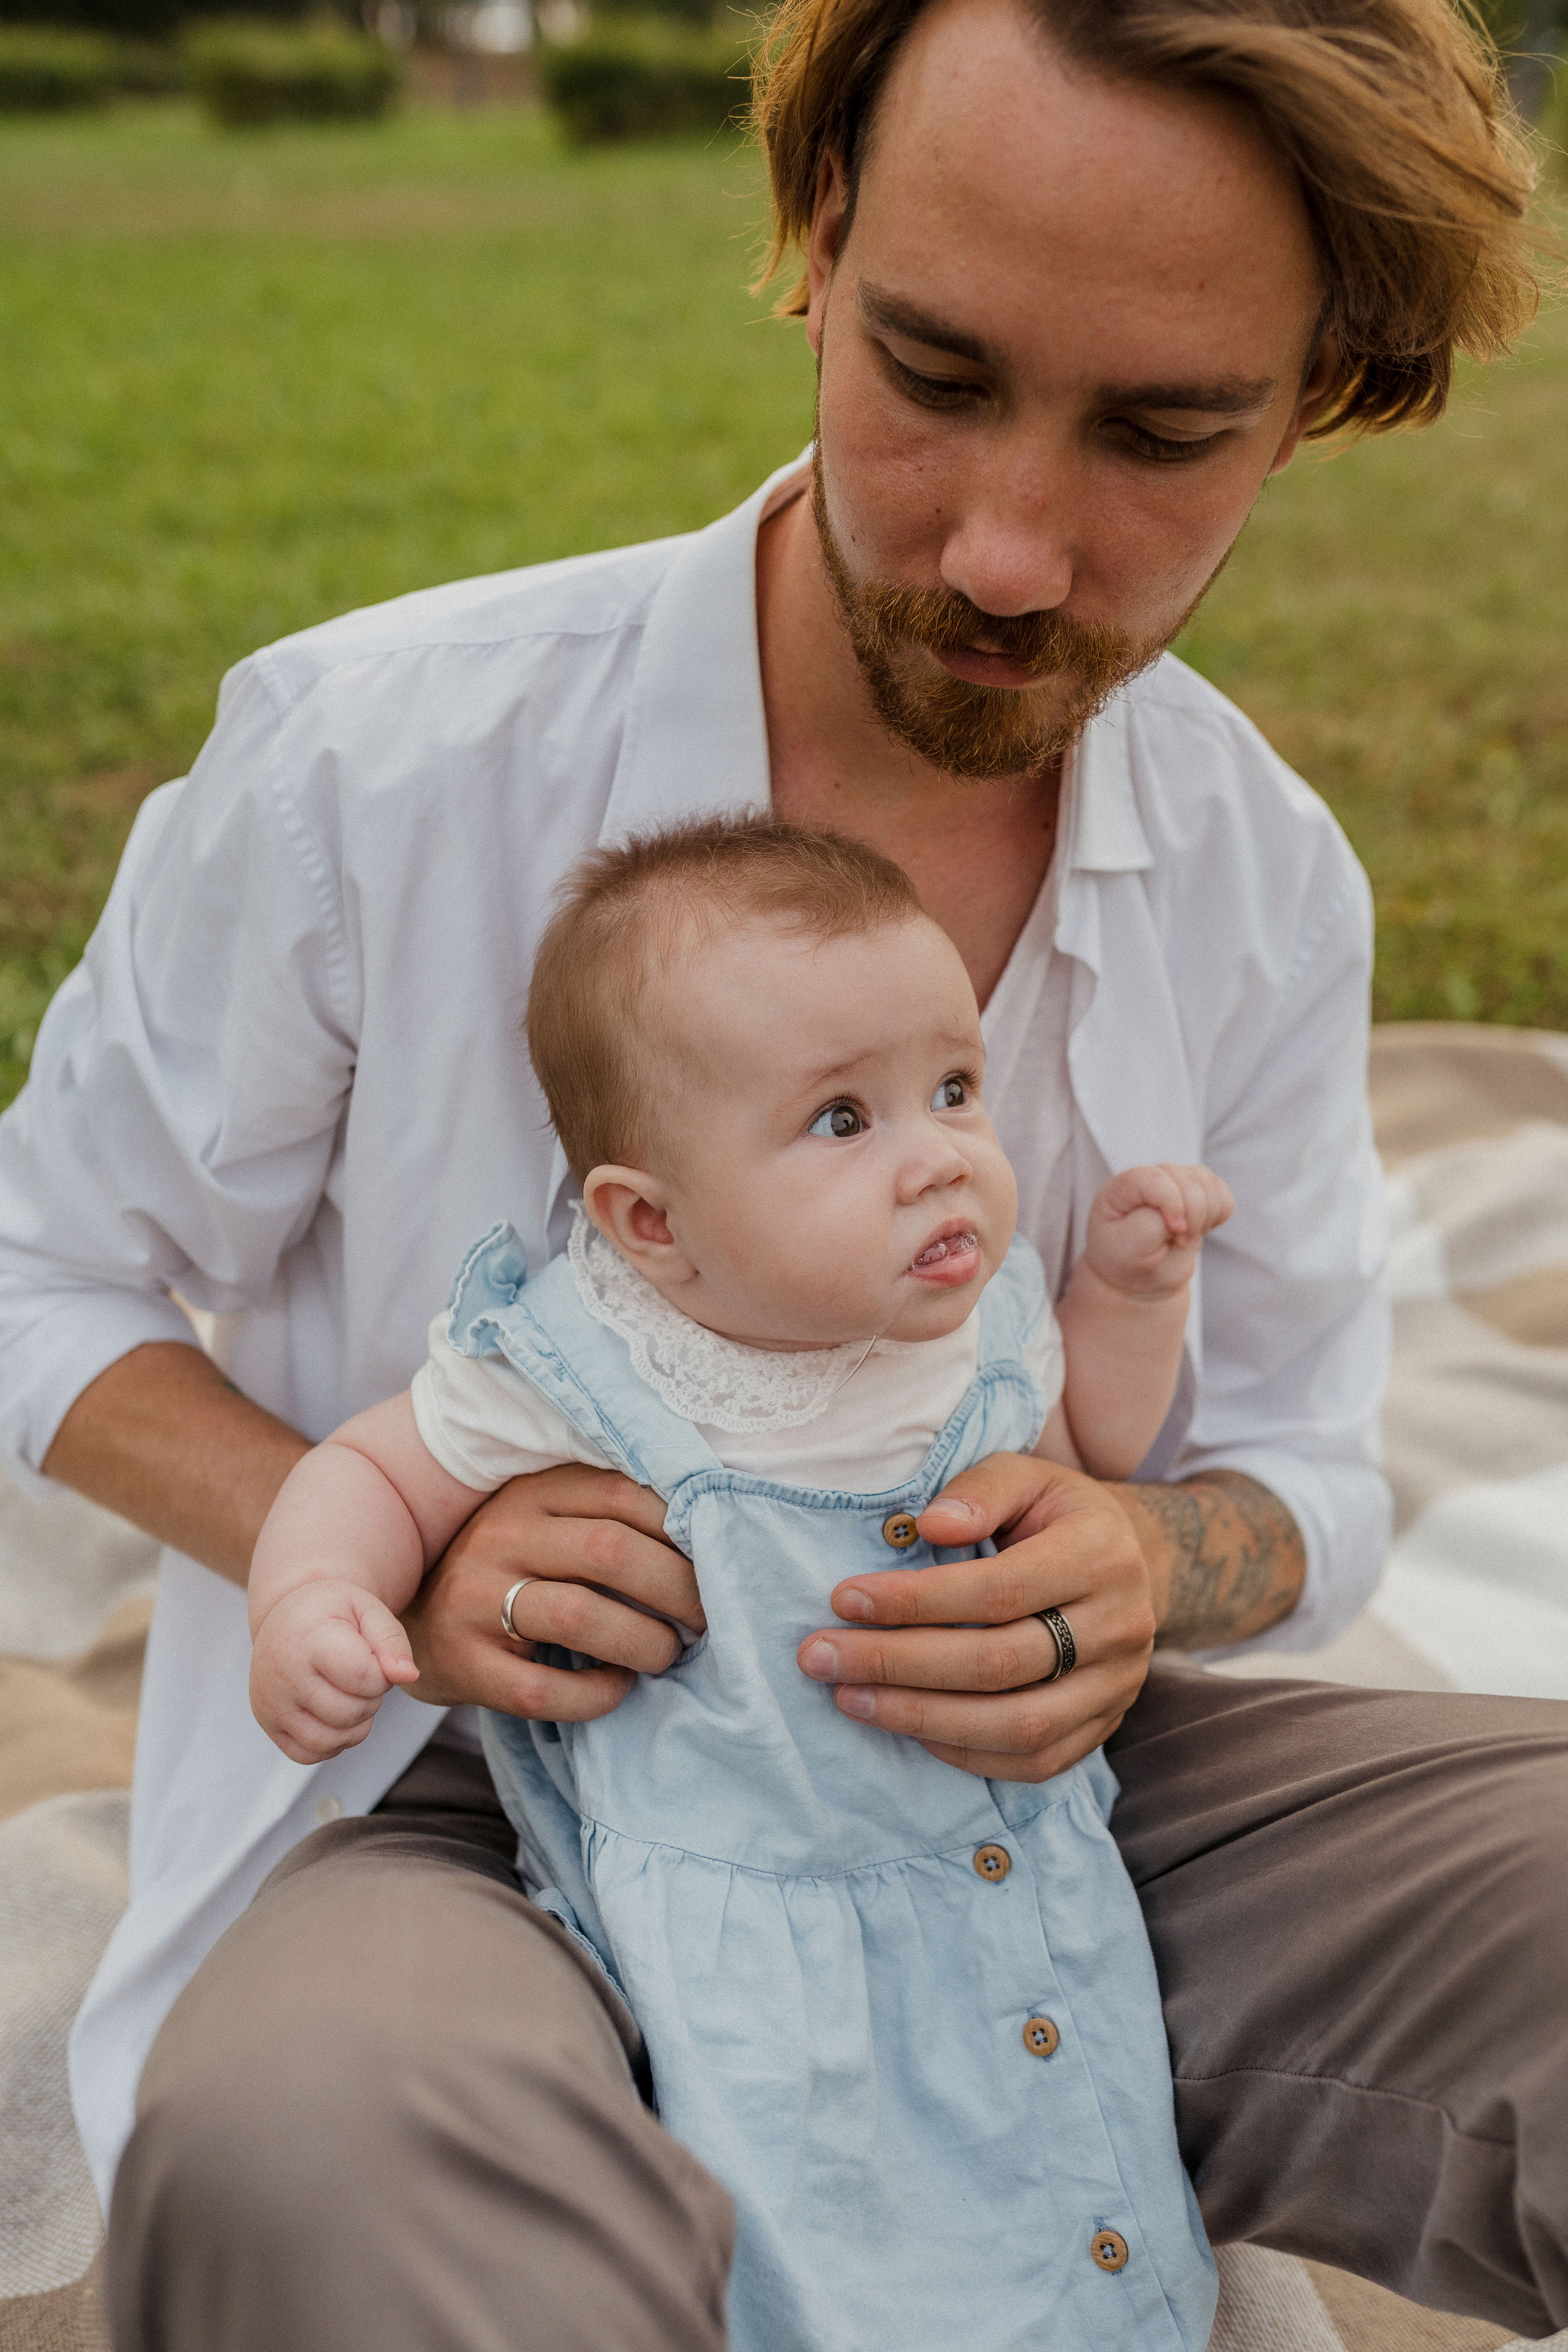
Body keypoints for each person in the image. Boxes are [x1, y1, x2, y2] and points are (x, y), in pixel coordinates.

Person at [0, 0, 1561, 2345]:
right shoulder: (374, 763)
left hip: (1036, 1821)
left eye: (1162, 432)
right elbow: (36, 1273)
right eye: (934, 372)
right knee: (309, 2161)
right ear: (817, 239)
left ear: (1328, 386)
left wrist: (1141, 1558)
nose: (1016, 551)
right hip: (474, 1815)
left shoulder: (1262, 880)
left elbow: (1308, 1482)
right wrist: (397, 1556)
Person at [245, 815, 1236, 2351]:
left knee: (1062, 2179)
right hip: (740, 1920)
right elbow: (379, 1472)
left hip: (1010, 1865)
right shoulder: (595, 1356)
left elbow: (1088, 1442)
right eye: (842, 1120)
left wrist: (1127, 1296)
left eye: (954, 1089)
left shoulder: (968, 1325)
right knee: (809, 2231)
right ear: (653, 1224)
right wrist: (313, 1601)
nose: (938, 1157)